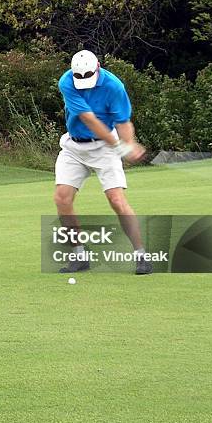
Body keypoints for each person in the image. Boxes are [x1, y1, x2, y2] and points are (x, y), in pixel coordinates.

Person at [54, 49, 152, 275]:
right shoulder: (66, 82)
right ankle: (79, 256)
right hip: (74, 146)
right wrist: (121, 147)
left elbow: (123, 121)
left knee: (116, 200)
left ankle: (141, 256)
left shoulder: (113, 86)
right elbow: (88, 118)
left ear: (97, 67)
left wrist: (129, 143)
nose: (84, 83)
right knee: (62, 198)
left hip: (104, 149)